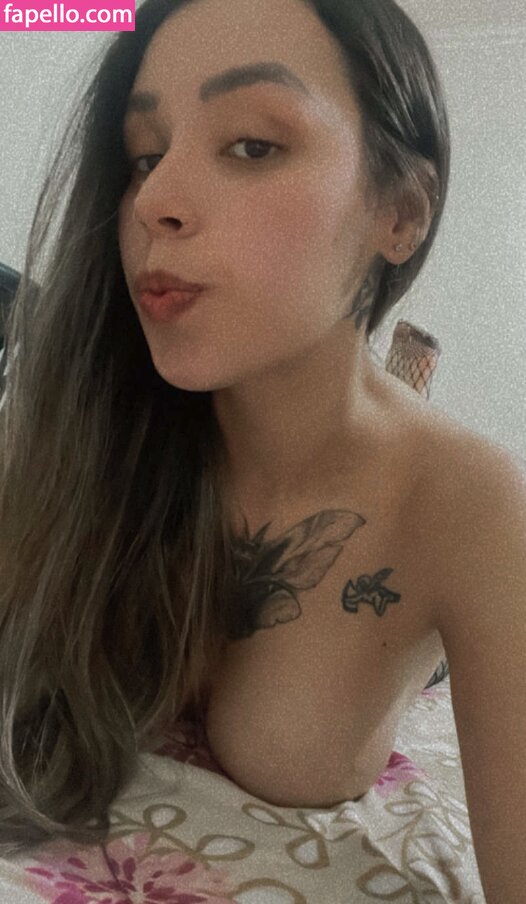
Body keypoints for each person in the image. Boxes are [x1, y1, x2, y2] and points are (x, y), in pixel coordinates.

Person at [0, 2, 524, 900]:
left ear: (400, 213)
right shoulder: (79, 433)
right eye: (143, 156)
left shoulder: (468, 504)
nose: (155, 202)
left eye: (252, 145)